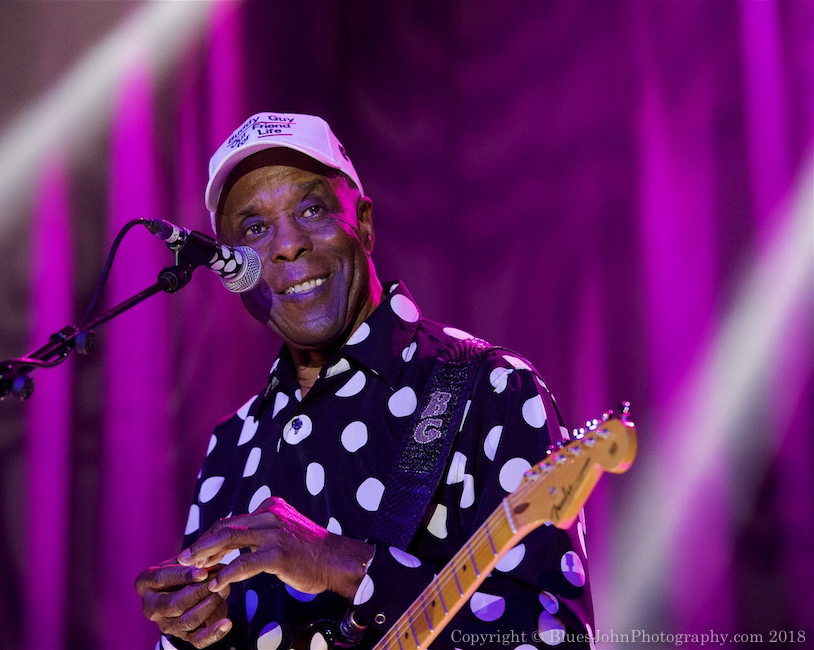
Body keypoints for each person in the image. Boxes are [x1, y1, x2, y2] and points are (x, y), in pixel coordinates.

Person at [135, 112, 593, 649]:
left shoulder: (488, 389)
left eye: (312, 209)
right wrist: (187, 631)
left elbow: (558, 638)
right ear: (233, 272)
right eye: (255, 230)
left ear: (366, 223)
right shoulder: (232, 443)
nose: (287, 245)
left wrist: (343, 565)